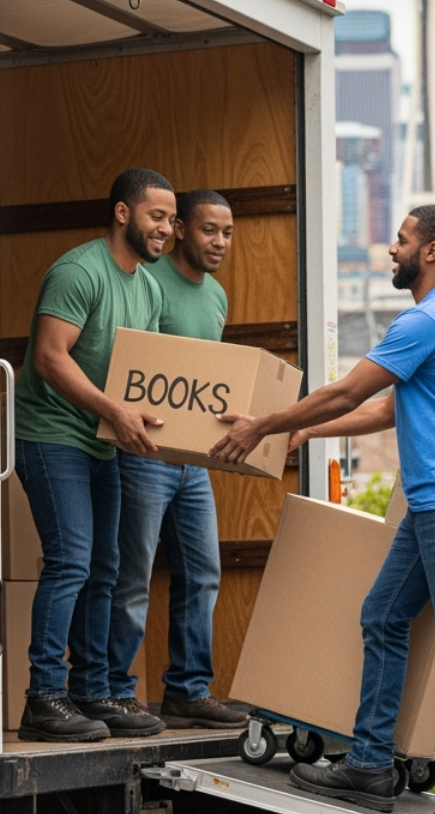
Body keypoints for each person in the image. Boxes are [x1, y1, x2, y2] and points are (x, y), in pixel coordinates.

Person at [211, 205, 435, 814]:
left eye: (403, 240)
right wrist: (307, 434)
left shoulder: (429, 320)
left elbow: (348, 390)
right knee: (383, 617)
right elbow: (387, 411)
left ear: (431, 251)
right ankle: (368, 767)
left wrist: (267, 424)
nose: (392, 248)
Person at [12, 167, 173, 742]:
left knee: (107, 568)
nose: (167, 229)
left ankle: (93, 689)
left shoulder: (149, 287)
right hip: (51, 433)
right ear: (123, 214)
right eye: (157, 216)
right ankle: (44, 698)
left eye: (171, 220)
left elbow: (142, 375)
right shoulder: (79, 272)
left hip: (101, 439)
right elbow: (52, 358)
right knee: (73, 562)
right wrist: (113, 412)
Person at [107, 190, 248, 730]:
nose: (220, 242)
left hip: (193, 461)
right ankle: (118, 689)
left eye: (228, 232)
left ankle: (188, 690)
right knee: (133, 576)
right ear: (183, 231)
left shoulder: (216, 296)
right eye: (210, 230)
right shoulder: (149, 282)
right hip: (145, 454)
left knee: (203, 573)